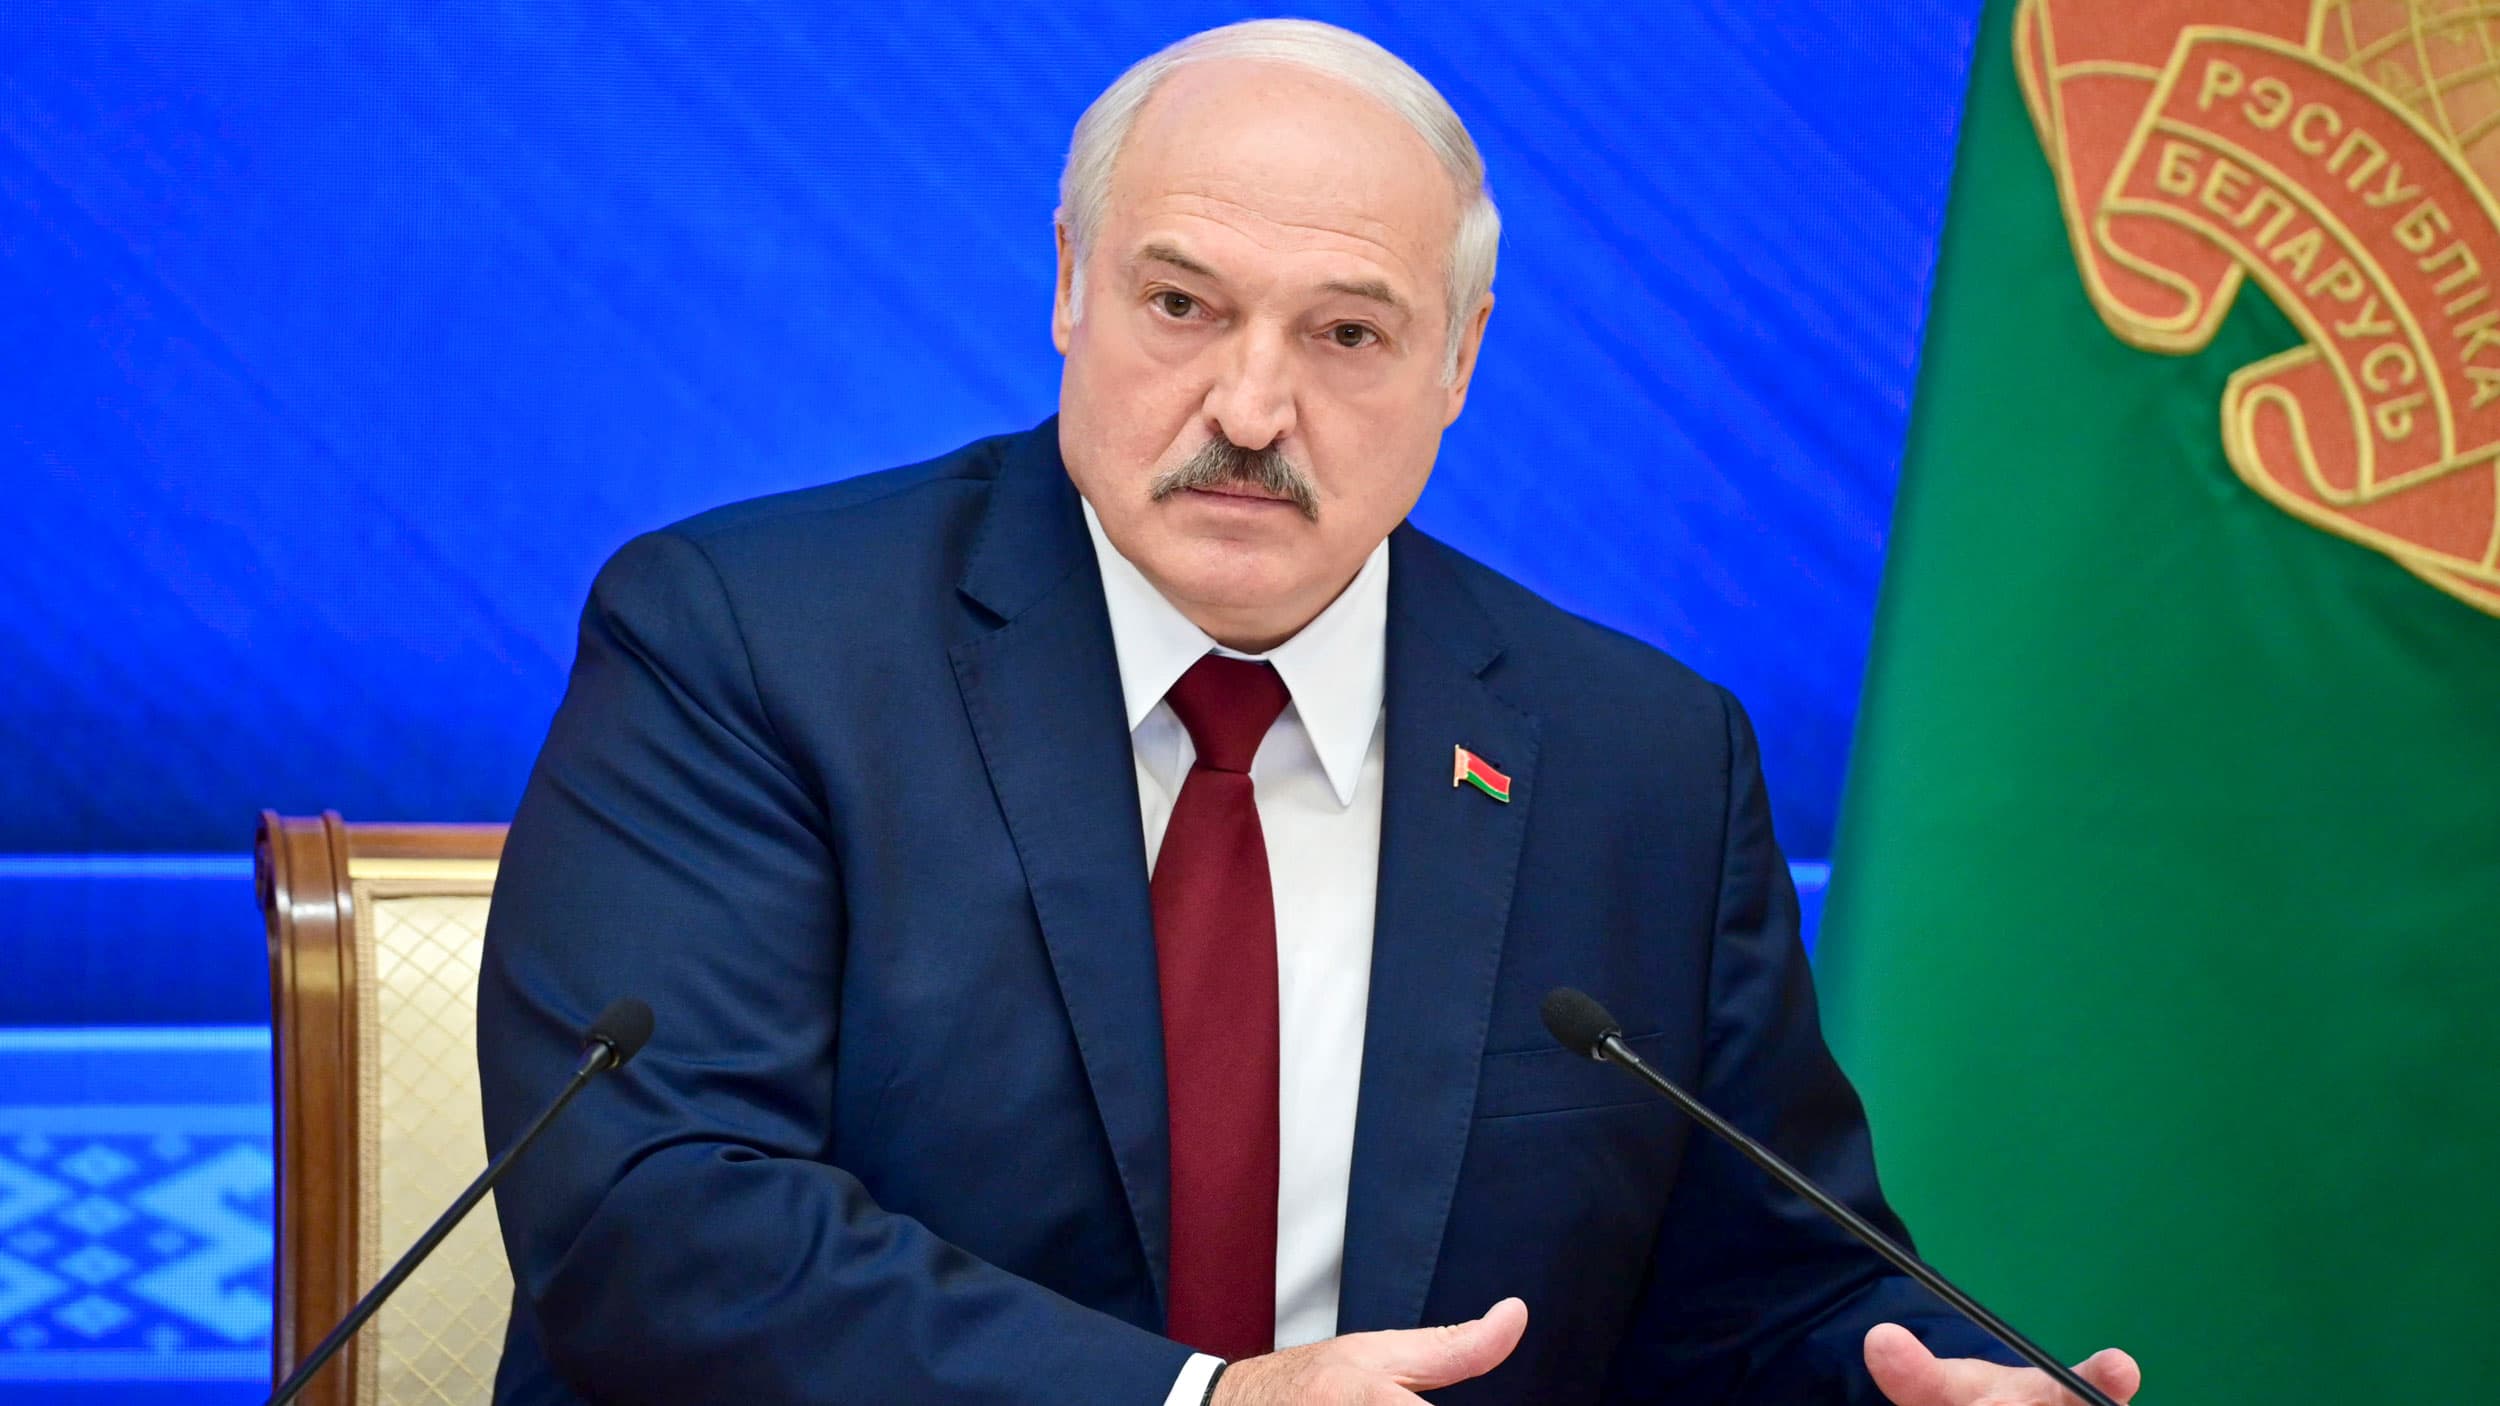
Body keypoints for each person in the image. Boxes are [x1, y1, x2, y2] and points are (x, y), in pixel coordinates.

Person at [477, 18, 2142, 1405]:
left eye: (1348, 332)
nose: (1252, 407)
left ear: (1462, 361)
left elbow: (1759, 1293)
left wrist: (1902, 1385)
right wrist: (1196, 1404)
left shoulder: (1640, 758)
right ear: (1071, 288)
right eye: (1184, 305)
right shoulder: (748, 643)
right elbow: (658, 1221)